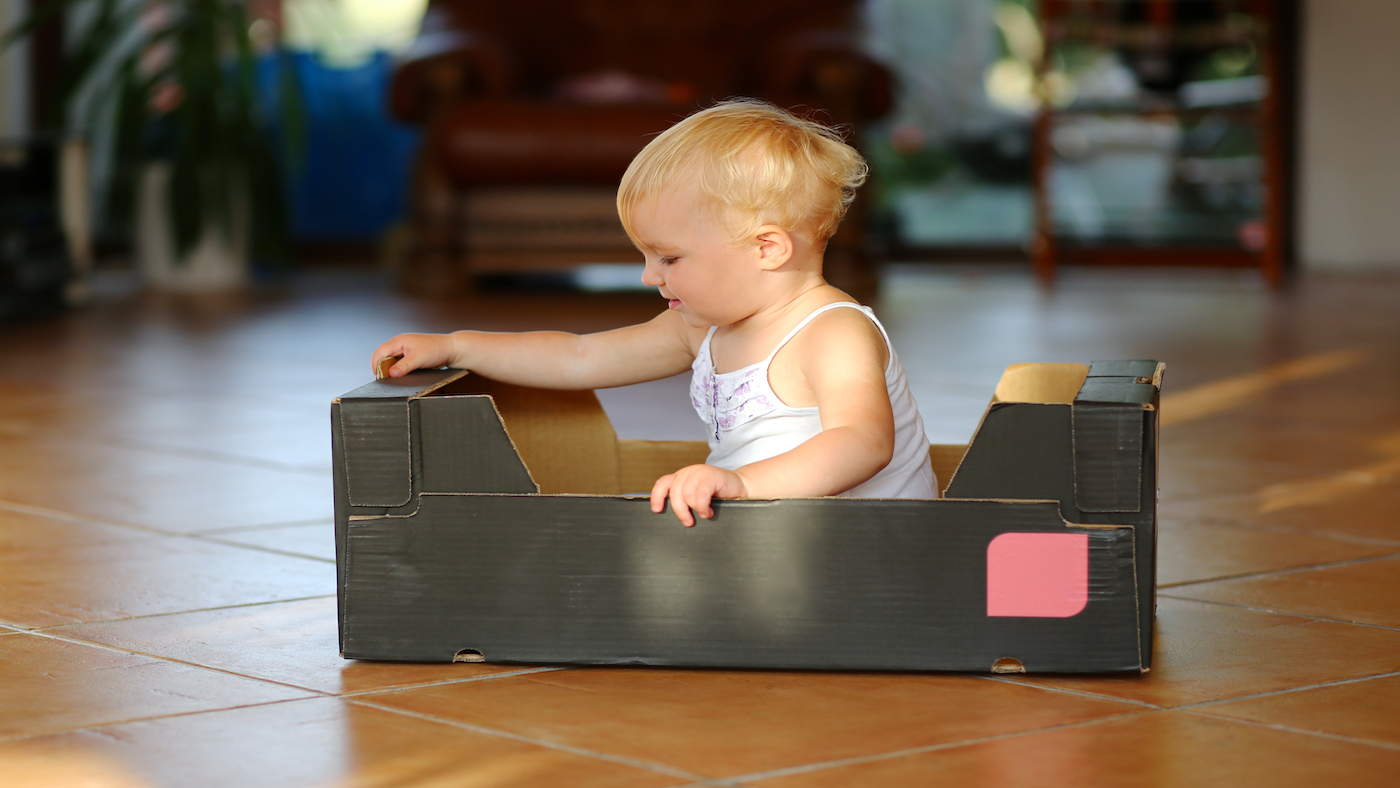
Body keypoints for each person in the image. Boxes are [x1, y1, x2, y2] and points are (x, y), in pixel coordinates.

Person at [373, 99, 937, 525]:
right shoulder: (703, 327)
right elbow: (581, 357)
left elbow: (862, 442)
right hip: (782, 530)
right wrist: (460, 345)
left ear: (767, 248)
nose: (649, 275)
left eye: (668, 257)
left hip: (875, 543)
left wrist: (739, 484)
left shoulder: (833, 331)